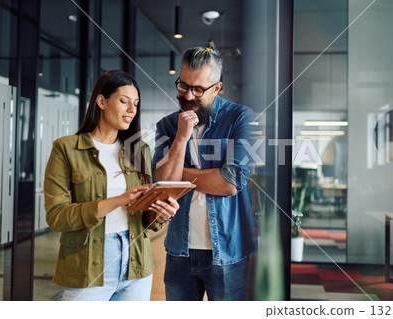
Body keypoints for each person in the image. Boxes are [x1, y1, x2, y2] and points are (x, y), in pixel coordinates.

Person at [44, 70, 179, 301]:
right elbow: (57, 216)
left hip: (137, 264)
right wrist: (118, 200)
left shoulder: (139, 150)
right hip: (88, 265)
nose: (131, 110)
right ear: (101, 101)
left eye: (135, 104)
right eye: (124, 101)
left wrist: (162, 214)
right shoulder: (65, 149)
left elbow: (146, 220)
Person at [153, 42, 257, 301]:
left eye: (198, 89)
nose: (188, 96)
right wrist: (180, 137)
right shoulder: (168, 125)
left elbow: (230, 183)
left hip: (228, 250)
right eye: (183, 86)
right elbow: (164, 183)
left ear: (217, 87)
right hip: (179, 249)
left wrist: (180, 175)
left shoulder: (240, 118)